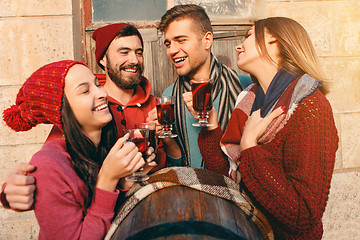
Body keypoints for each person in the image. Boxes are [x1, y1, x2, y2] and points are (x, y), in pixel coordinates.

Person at [1, 23, 181, 211]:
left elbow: (178, 167)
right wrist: (11, 192)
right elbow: (50, 166)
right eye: (124, 52)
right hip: (103, 216)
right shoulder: (90, 109)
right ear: (103, 59)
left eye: (139, 52)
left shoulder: (157, 106)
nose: (134, 60)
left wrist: (166, 137)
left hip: (154, 209)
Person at [186, 17, 338, 239]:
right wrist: (211, 124)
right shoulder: (248, 102)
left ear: (273, 39)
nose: (239, 45)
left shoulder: (311, 107)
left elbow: (303, 216)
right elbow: (228, 181)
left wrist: (249, 146)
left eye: (248, 35)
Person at [2, 60, 156, 239]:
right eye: (85, 90)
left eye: (98, 84)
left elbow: (108, 215)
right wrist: (108, 177)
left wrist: (124, 182)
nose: (101, 93)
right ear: (62, 109)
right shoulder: (50, 162)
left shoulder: (103, 147)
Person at [152, 4, 252, 168]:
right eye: (168, 44)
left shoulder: (243, 85)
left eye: (181, 40)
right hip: (191, 189)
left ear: (207, 40)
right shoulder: (169, 95)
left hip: (235, 189)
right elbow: (177, 165)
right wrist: (166, 138)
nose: (172, 50)